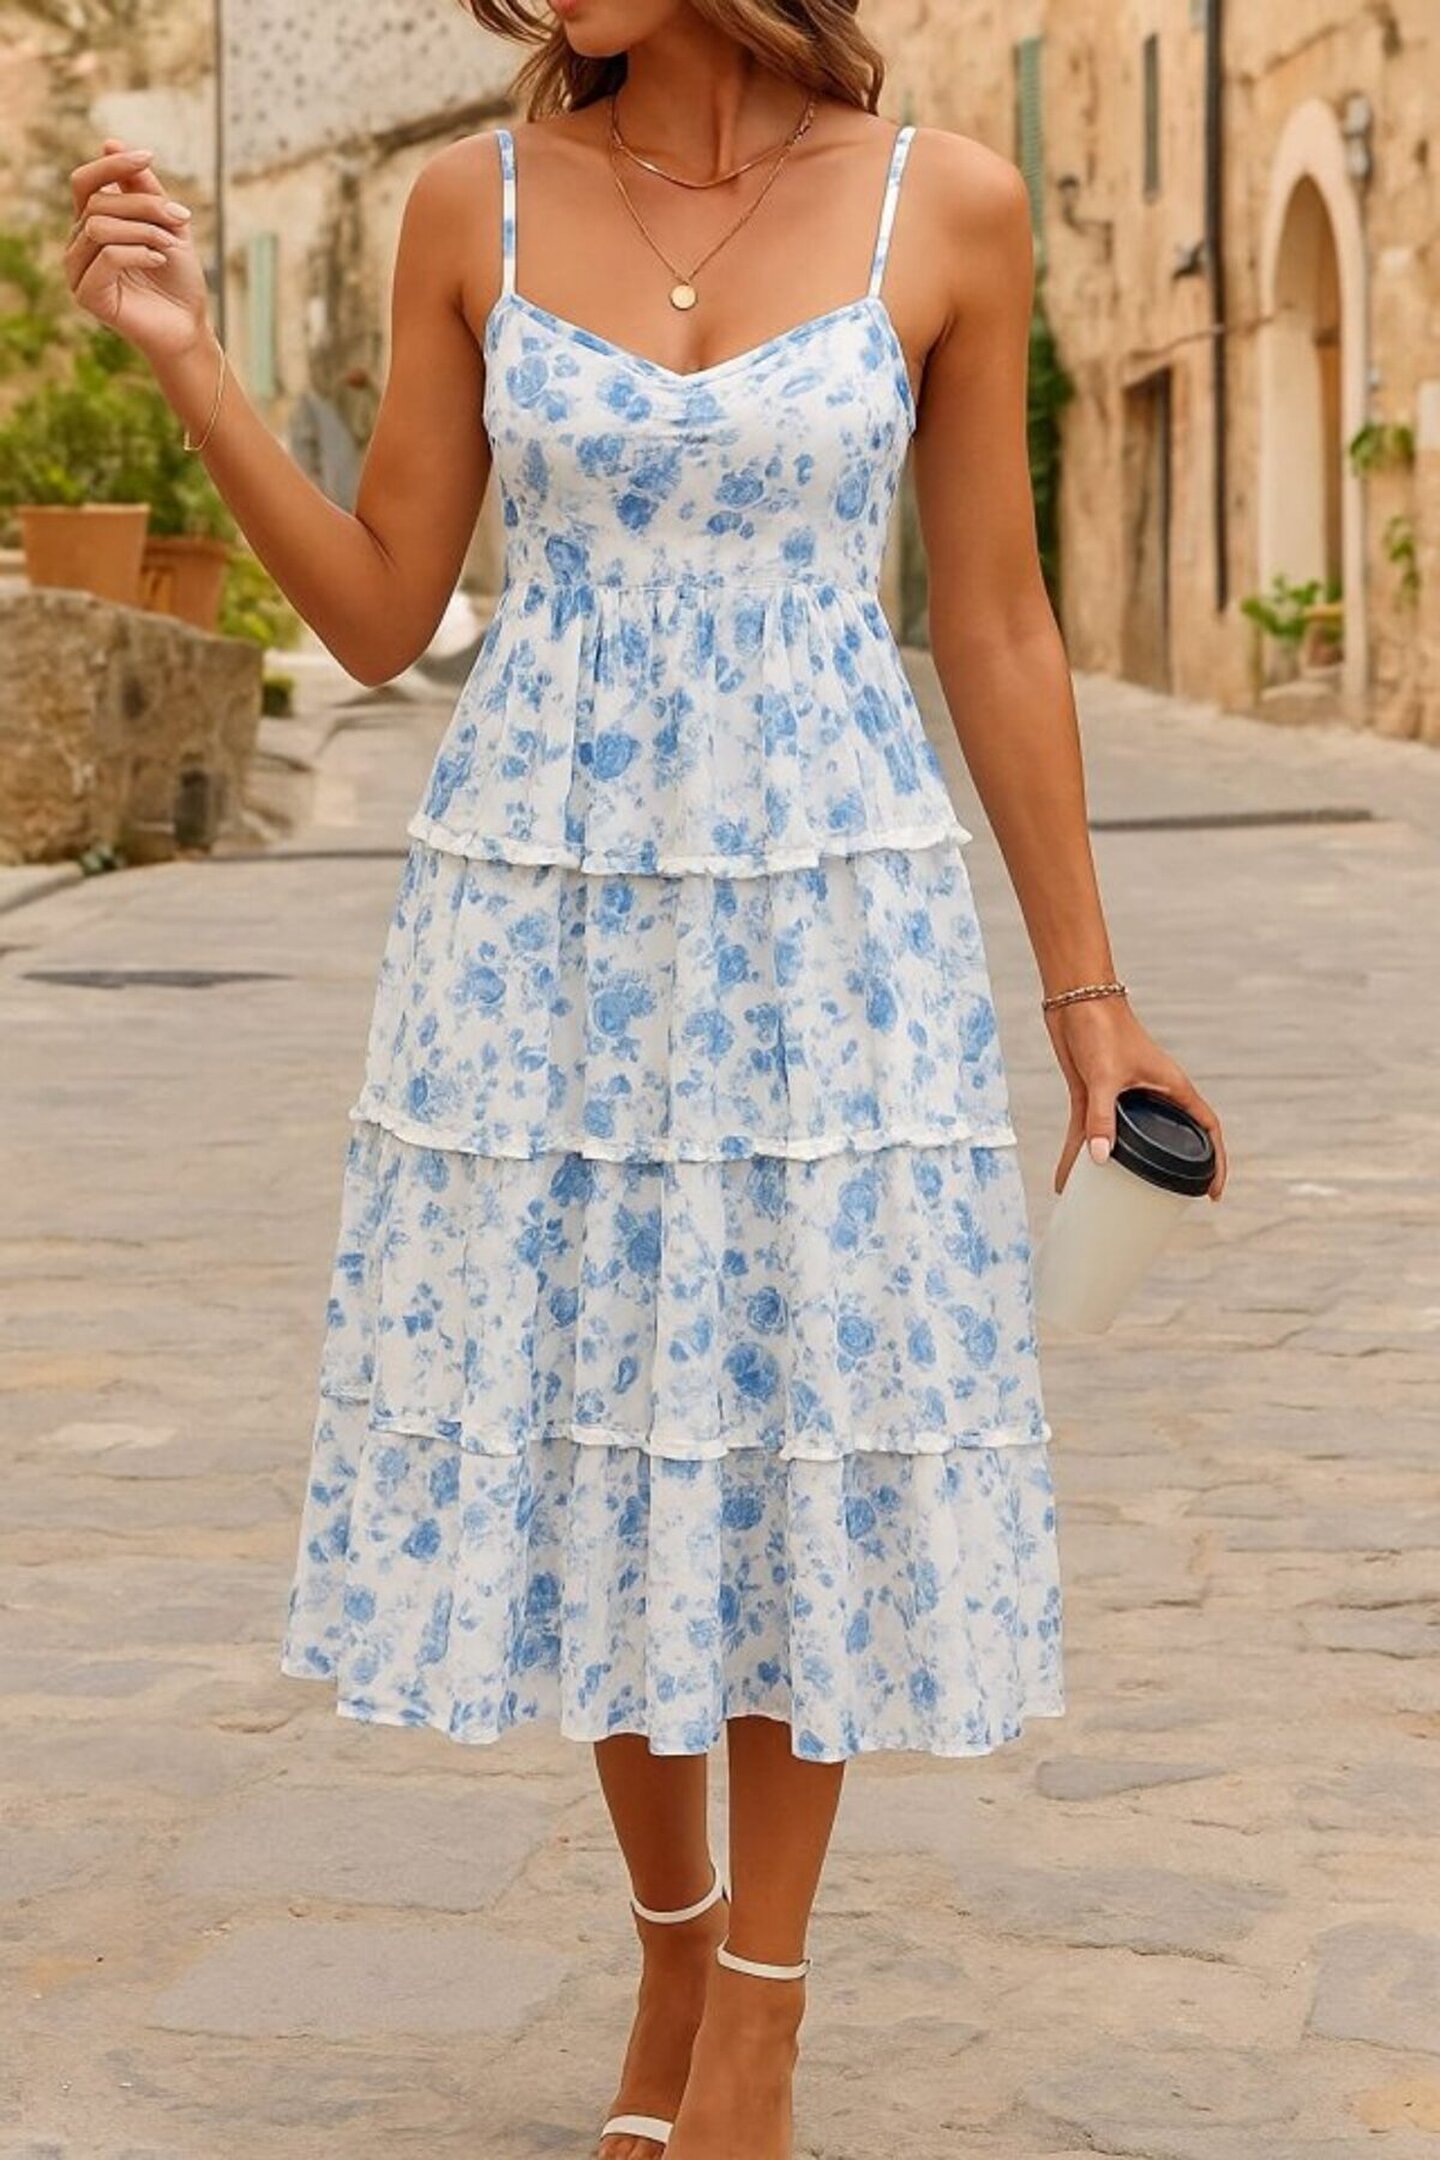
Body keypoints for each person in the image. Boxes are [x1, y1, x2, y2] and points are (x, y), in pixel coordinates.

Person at [65, 3, 1227, 2154]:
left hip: (830, 907)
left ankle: (760, 2017)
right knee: (606, 1419)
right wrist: (189, 360)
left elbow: (996, 622)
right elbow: (385, 616)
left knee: (803, 1420)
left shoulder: (947, 204)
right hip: (546, 917)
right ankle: (675, 1949)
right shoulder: (471, 203)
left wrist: (1091, 999)